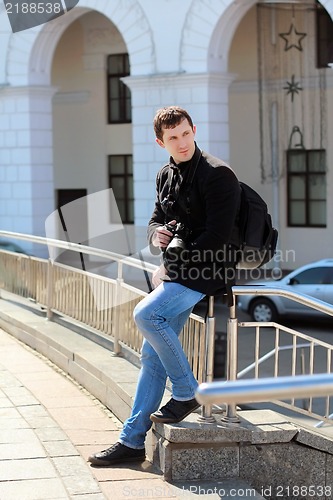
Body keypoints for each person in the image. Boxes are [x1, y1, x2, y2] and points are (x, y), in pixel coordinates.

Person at [88, 106, 241, 467]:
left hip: (209, 270)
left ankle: (187, 391)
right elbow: (158, 218)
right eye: (173, 137)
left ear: (194, 130)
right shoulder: (165, 175)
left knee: (147, 313)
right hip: (179, 270)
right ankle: (132, 440)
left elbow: (217, 236)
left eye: (186, 133)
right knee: (150, 355)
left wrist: (170, 265)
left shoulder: (219, 175)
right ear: (161, 142)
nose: (182, 142)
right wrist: (156, 236)